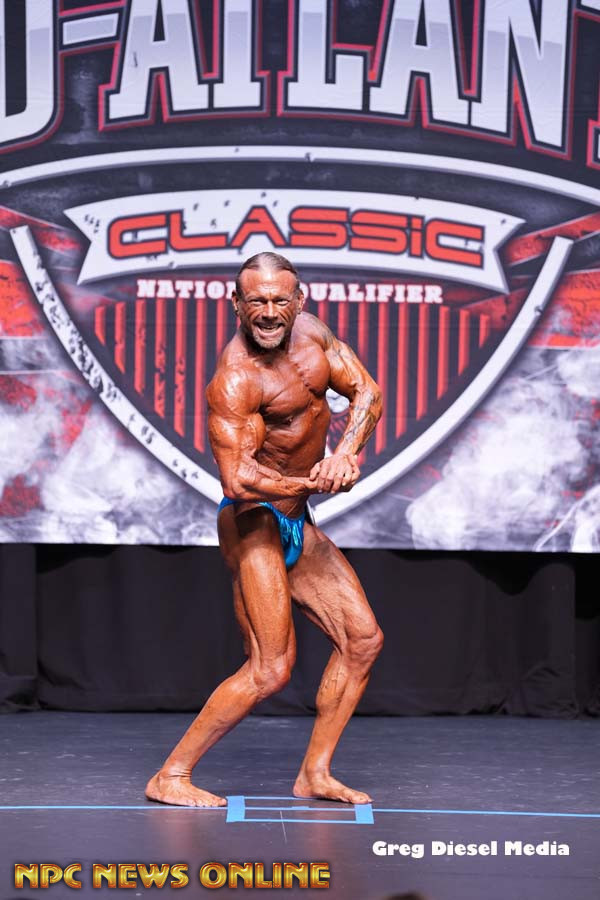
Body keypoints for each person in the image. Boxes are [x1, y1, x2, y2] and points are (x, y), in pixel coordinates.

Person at [145, 251, 383, 807]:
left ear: (299, 301)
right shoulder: (236, 379)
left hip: (295, 516)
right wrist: (314, 482)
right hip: (254, 521)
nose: (269, 312)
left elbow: (366, 392)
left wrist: (343, 455)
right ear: (237, 304)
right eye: (257, 301)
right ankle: (171, 776)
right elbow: (238, 480)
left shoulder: (314, 336)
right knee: (271, 668)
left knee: (362, 641)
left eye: (280, 300)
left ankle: (315, 774)